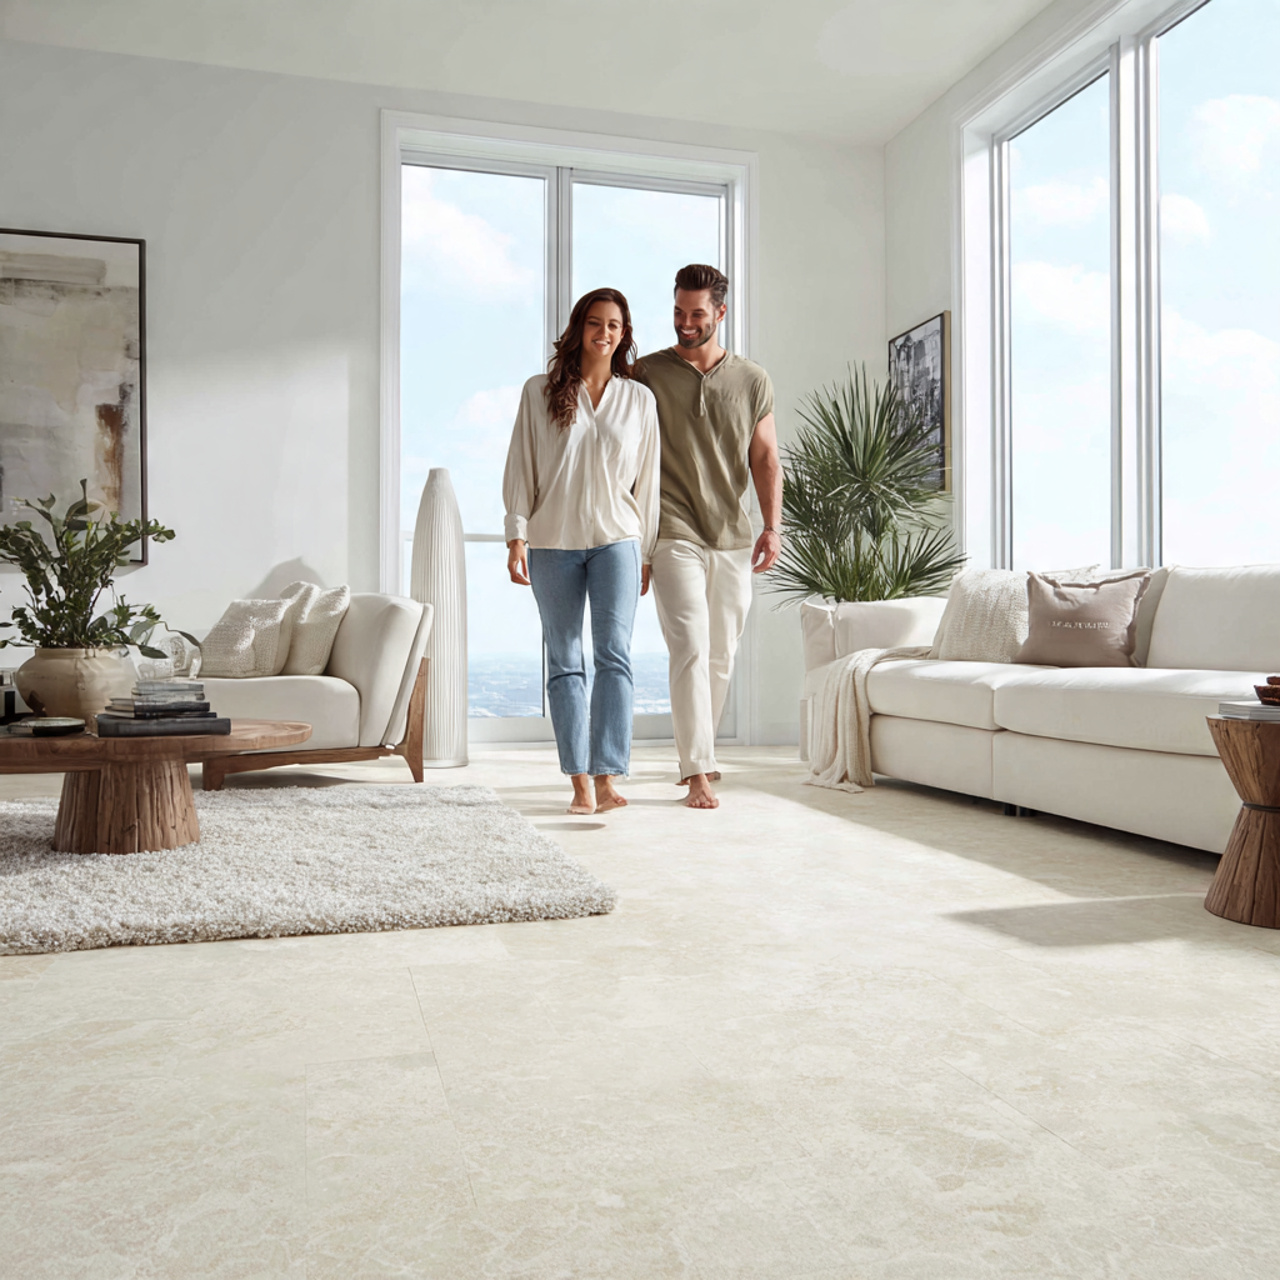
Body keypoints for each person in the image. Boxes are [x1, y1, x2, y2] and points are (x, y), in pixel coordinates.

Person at [502, 288, 661, 816]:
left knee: (614, 655)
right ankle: (579, 781)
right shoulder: (539, 391)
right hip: (552, 540)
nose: (605, 333)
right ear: (579, 328)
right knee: (565, 662)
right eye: (596, 323)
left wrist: (648, 549)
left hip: (618, 538)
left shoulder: (639, 399)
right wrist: (516, 534)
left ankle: (608, 773)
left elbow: (649, 482)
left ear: (624, 333)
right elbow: (521, 466)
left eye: (615, 325)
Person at [633, 264, 782, 810]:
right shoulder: (646, 373)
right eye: (678, 312)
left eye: (697, 313)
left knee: (722, 652)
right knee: (690, 646)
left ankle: (699, 752)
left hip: (733, 533)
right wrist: (636, 543)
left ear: (720, 313)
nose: (685, 323)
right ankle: (698, 770)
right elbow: (628, 455)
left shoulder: (752, 379)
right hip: (672, 528)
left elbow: (765, 455)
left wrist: (773, 525)